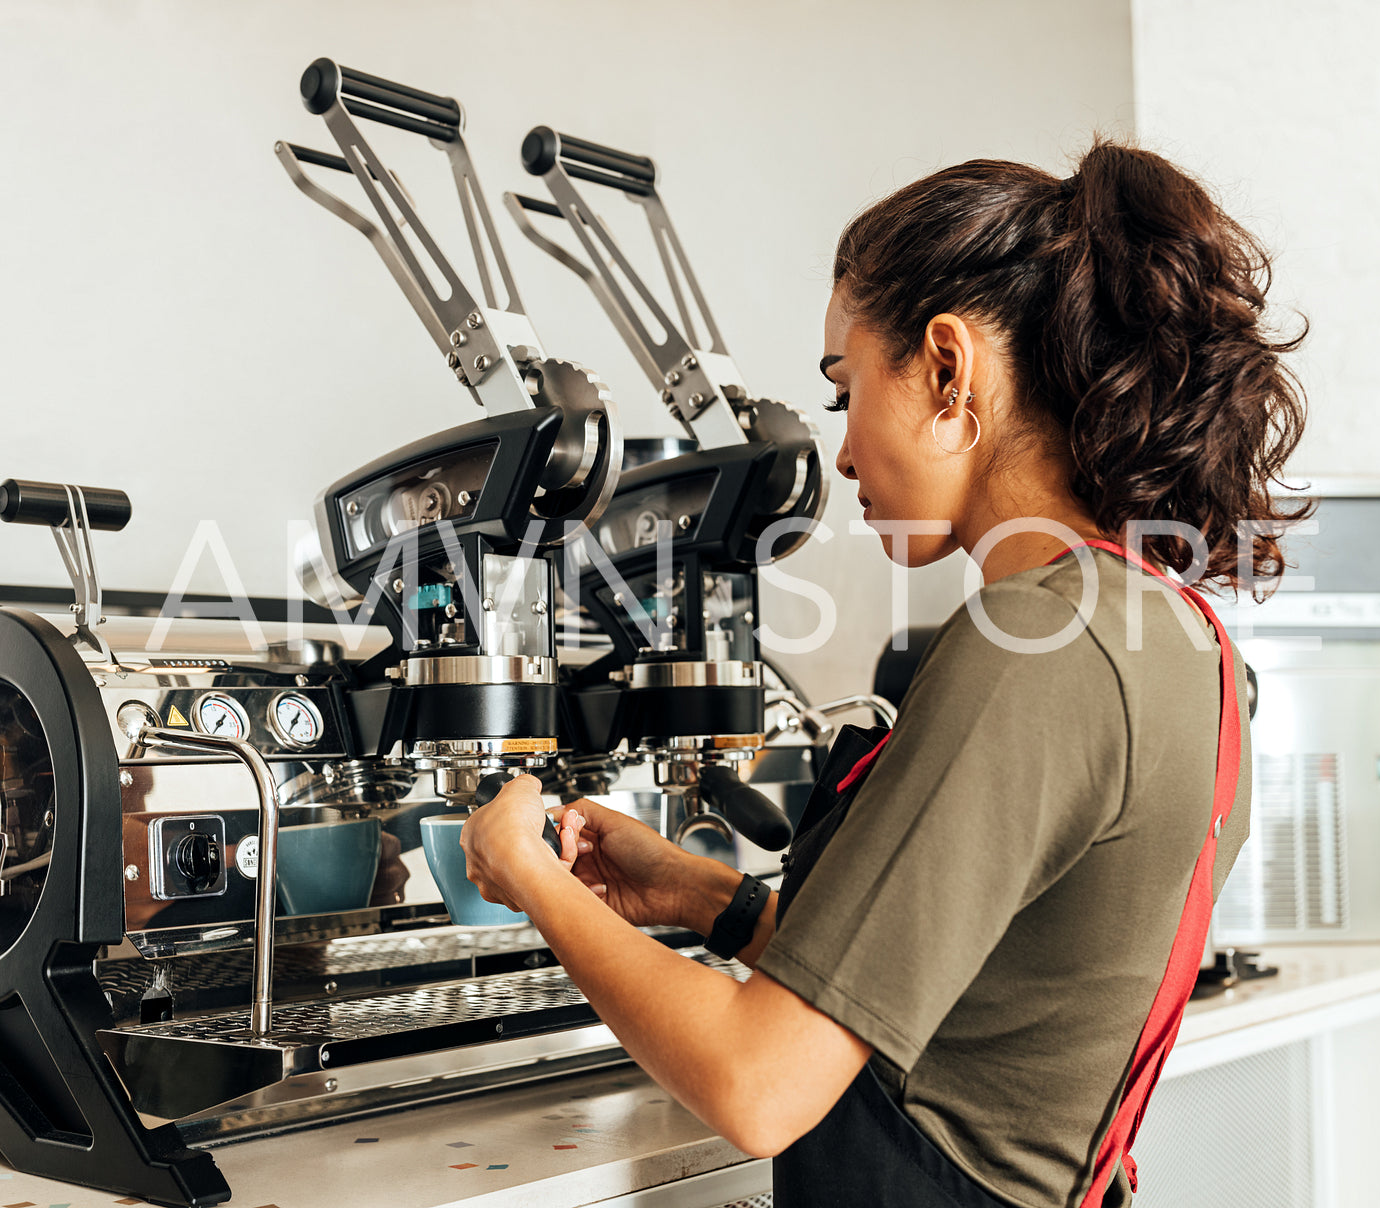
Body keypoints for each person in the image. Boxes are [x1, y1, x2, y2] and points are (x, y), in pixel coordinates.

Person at [461, 139, 1307, 1207]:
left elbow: (759, 1083)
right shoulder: (1181, 636)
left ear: (947, 369)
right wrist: (701, 894)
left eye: (842, 388)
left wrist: (527, 874)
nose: (845, 452)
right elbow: (972, 1002)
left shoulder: (1031, 648)